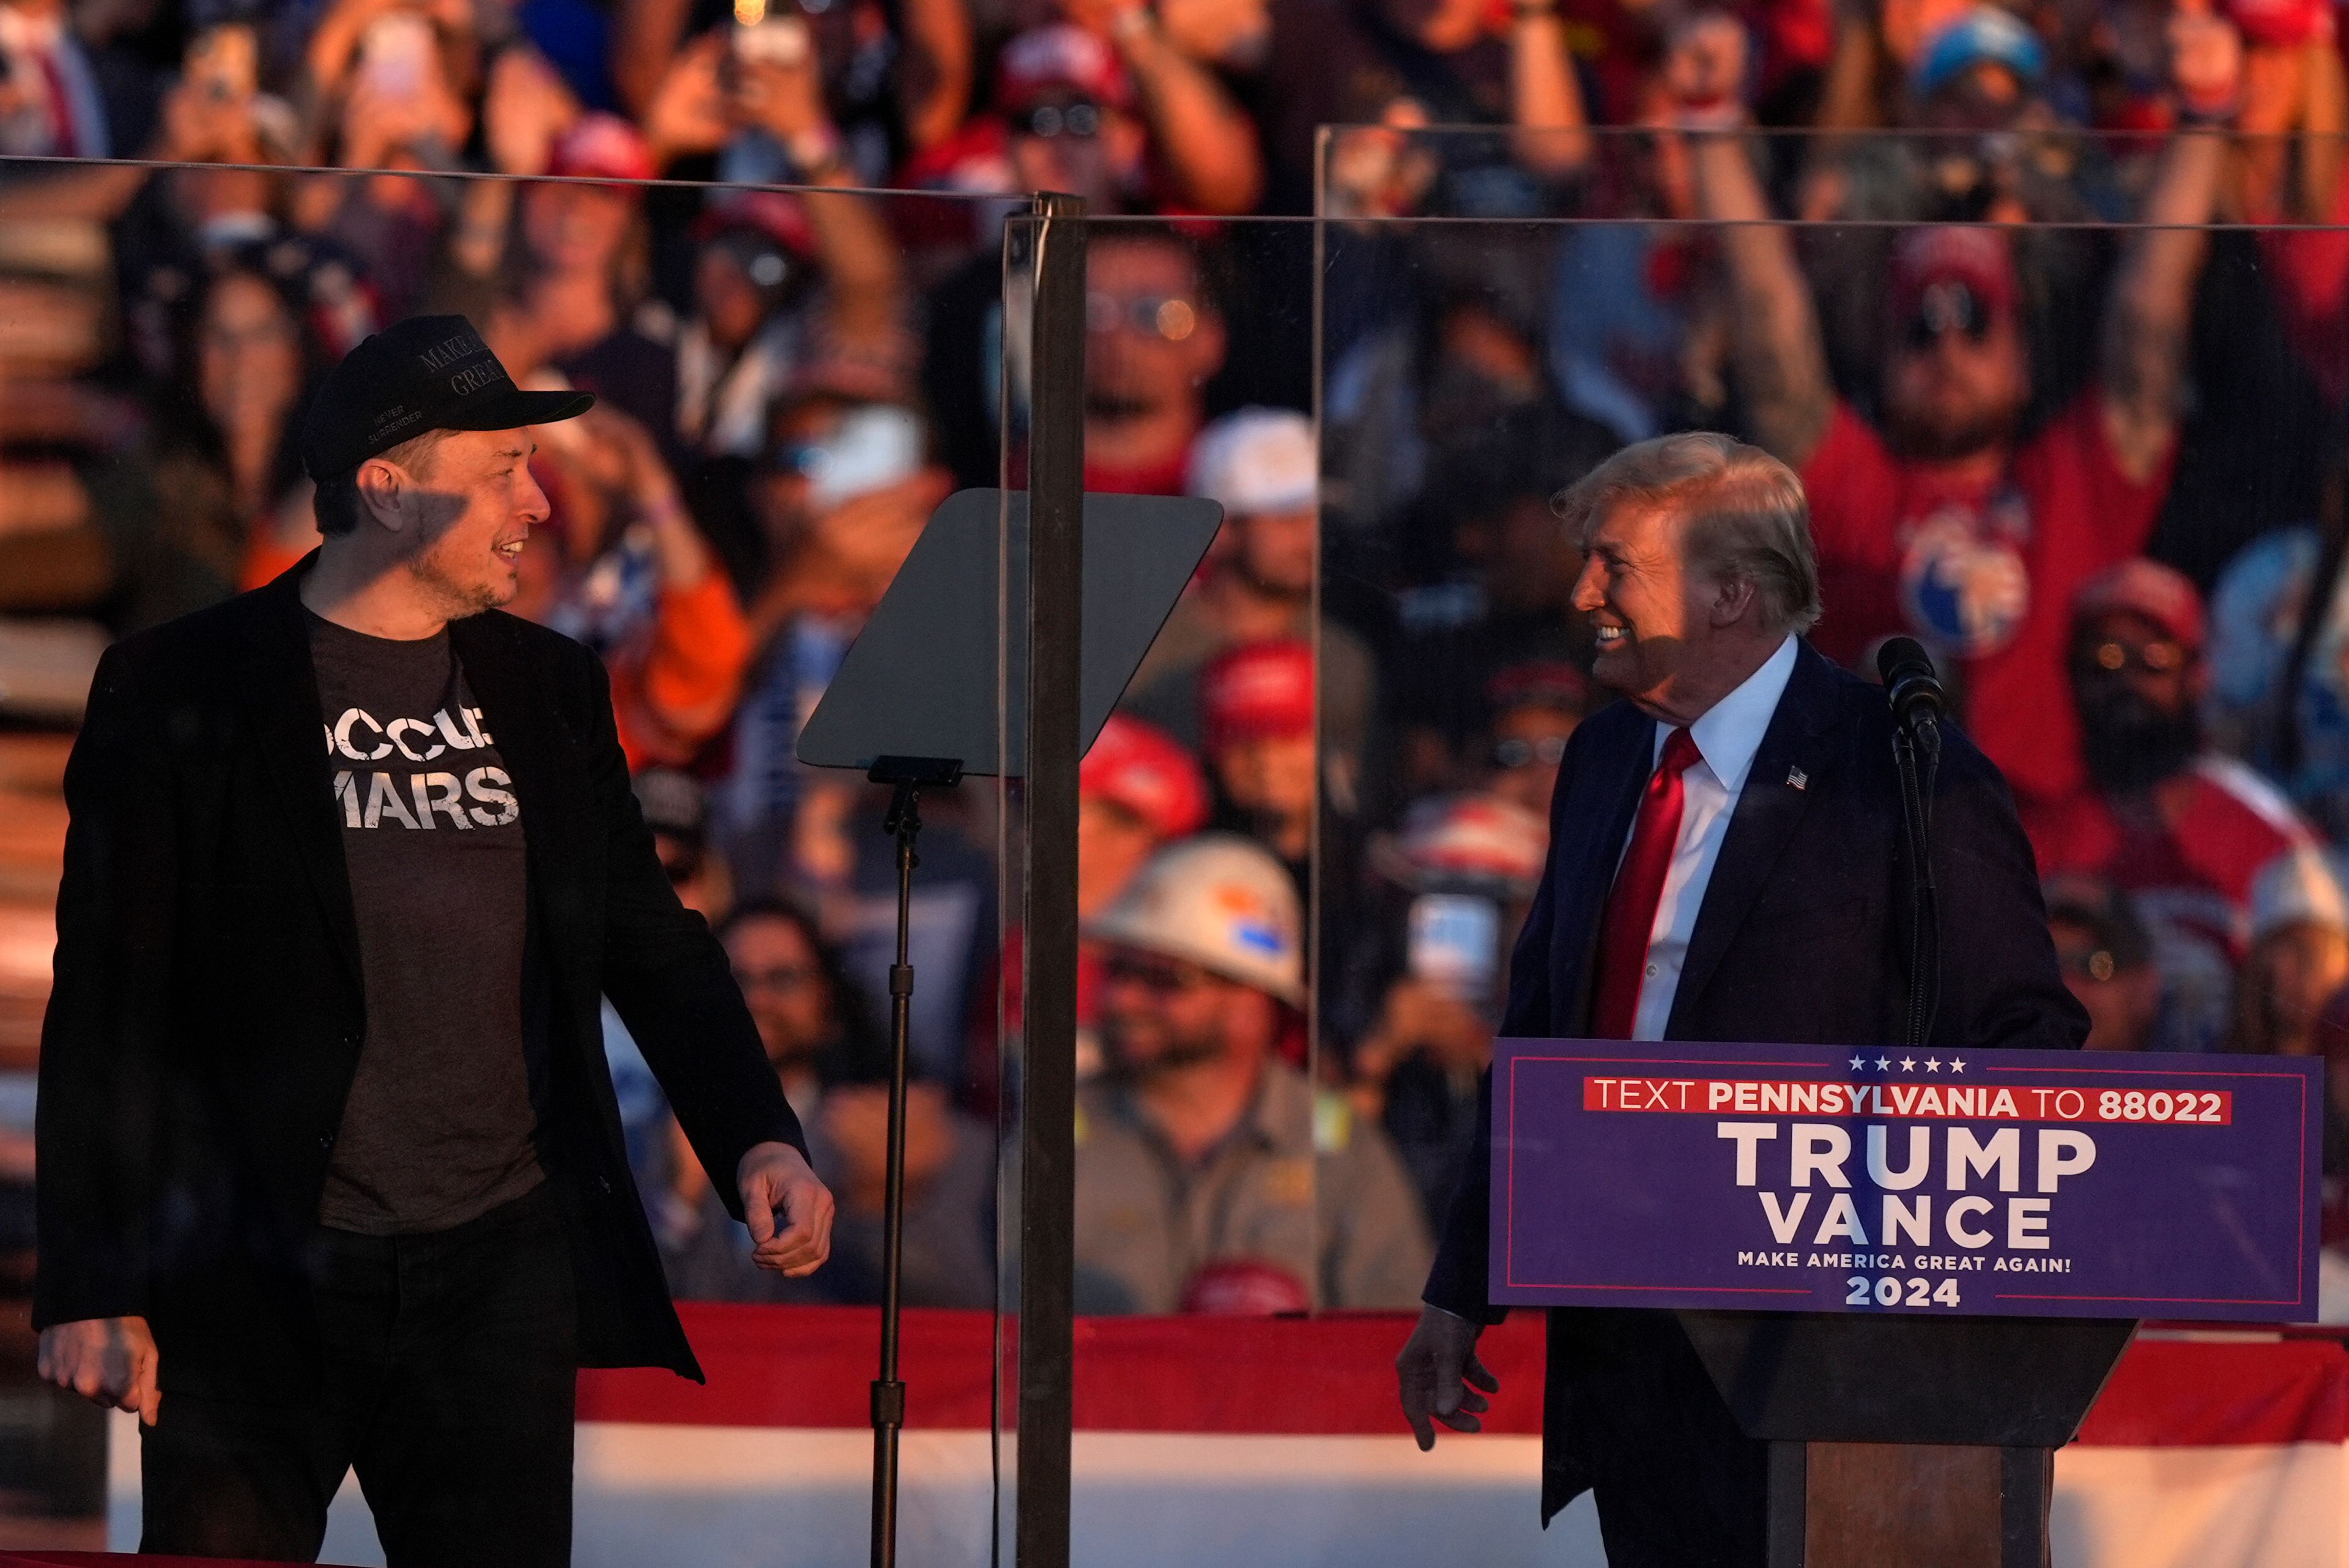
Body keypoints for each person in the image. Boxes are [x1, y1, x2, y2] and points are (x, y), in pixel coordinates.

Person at [34, 316, 835, 1567]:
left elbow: (650, 938)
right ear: (390, 494)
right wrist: (91, 1277)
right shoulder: (179, 683)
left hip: (494, 1273)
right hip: (253, 1273)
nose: (539, 501)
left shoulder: (553, 685)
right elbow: (107, 1002)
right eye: (503, 473)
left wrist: (756, 1132)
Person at [1395, 431, 2083, 1562]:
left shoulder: (1902, 771)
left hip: (1831, 1371)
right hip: (1629, 1357)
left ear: (1731, 590)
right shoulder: (1604, 758)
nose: (1583, 594)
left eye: (1615, 564)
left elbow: (2027, 1040)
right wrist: (1462, 1288)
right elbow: (1536, 1037)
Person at [1688, 27, 2228, 844]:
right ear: (1881, 349)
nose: (1948, 349)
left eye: (1975, 319)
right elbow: (1771, 317)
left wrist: (2205, 114)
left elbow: (2149, 307)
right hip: (1868, 847)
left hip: (2045, 855)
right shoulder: (1847, 486)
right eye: (1922, 325)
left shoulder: (2075, 484)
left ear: (2020, 360)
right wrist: (1709, 121)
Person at [1075, 834, 1433, 1314]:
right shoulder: (1053, 1139)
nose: (1122, 999)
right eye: (1118, 970)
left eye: (1163, 979)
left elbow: (1393, 1338)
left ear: (1252, 999)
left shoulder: (1340, 1147)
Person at [2036, 559, 2347, 1053]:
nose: (2126, 683)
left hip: (2236, 1111)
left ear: (2199, 674)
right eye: (2103, 661)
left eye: (2154, 660)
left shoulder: (2270, 836)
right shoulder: (2030, 838)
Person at [651, 903, 994, 1309]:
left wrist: (885, 1202)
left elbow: (963, 1303)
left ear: (829, 1000)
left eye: (784, 978)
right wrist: (681, 1205)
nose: (757, 998)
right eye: (734, 979)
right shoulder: (660, 1134)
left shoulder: (893, 1133)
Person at [2043, 876, 2161, 1052]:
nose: (2069, 987)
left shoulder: (2192, 1076)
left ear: (2145, 984)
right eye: (2047, 967)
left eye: (2096, 965)